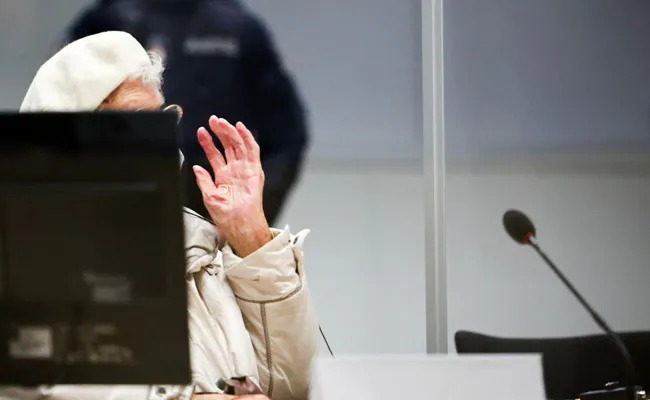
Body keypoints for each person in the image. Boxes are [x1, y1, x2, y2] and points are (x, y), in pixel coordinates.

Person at [1, 31, 318, 400]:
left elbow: (292, 386)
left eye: (163, 116)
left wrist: (252, 240)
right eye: (139, 118)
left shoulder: (198, 249)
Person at [65, 0, 310, 226]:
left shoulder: (238, 28)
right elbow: (60, 118)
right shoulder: (106, 19)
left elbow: (287, 134)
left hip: (216, 207)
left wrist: (250, 215)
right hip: (120, 204)